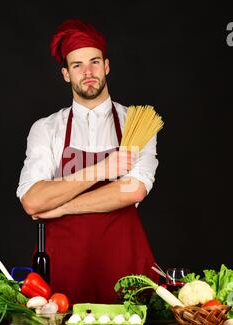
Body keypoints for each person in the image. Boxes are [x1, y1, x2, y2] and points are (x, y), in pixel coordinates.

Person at [17, 19, 159, 305]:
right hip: (62, 272)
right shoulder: (46, 129)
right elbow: (33, 201)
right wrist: (102, 170)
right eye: (77, 65)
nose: (88, 72)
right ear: (66, 74)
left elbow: (133, 190)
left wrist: (61, 206)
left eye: (94, 62)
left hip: (125, 269)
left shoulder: (137, 121)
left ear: (106, 66)